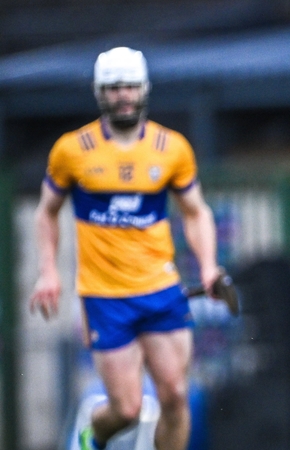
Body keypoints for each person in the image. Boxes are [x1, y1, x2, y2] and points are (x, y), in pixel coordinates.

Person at [29, 47, 221, 450]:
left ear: (144, 89)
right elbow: (47, 212)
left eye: (130, 86)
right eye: (114, 87)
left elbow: (196, 212)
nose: (123, 95)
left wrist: (207, 265)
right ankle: (90, 437)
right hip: (104, 296)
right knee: (127, 408)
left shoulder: (171, 147)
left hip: (161, 290)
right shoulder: (71, 150)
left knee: (175, 395)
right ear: (99, 92)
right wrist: (48, 271)